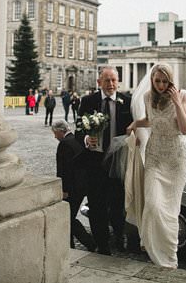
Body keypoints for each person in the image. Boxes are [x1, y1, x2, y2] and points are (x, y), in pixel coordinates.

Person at [126, 63, 186, 269]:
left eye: (165, 81)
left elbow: (185, 128)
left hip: (176, 156)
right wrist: (135, 125)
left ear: (170, 80)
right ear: (152, 80)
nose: (161, 85)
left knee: (170, 208)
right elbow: (151, 120)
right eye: (157, 81)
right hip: (155, 155)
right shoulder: (147, 97)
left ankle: (169, 256)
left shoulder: (182, 95)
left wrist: (177, 103)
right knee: (153, 205)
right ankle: (153, 247)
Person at [75, 67, 133, 255]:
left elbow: (134, 128)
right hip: (95, 162)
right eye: (107, 80)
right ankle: (102, 243)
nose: (111, 84)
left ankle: (119, 236)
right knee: (97, 204)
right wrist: (85, 139)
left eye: (114, 80)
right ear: (99, 82)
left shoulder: (127, 102)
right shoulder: (88, 101)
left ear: (118, 82)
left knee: (118, 203)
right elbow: (78, 130)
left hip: (118, 161)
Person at [51, 120, 96, 251]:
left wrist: (64, 189)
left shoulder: (64, 144)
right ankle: (70, 243)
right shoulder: (78, 139)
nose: (55, 137)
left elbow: (63, 169)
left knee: (68, 217)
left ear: (60, 131)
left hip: (72, 187)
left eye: (55, 133)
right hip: (82, 185)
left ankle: (89, 243)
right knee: (69, 216)